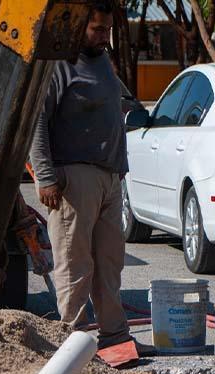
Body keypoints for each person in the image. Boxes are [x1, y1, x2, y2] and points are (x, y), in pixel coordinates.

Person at [29, 1, 153, 355]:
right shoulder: (59, 66)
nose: (104, 37)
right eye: (97, 30)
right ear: (78, 27)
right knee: (75, 264)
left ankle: (115, 338)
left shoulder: (101, 62)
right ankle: (73, 343)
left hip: (111, 177)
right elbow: (37, 121)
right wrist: (46, 176)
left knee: (109, 264)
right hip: (76, 177)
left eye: (108, 30)